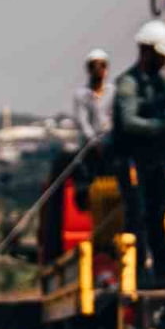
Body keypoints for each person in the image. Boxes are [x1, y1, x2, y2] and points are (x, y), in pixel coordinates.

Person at [111, 20, 165, 284]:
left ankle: (161, 271)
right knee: (136, 217)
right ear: (147, 51)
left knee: (157, 214)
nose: (164, 63)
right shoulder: (129, 84)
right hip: (131, 161)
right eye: (161, 57)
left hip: (153, 161)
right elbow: (129, 122)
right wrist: (164, 125)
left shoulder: (155, 81)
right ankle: (136, 274)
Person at [71, 48, 115, 210]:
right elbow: (82, 122)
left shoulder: (113, 92)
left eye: (101, 66)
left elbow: (115, 117)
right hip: (88, 148)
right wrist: (94, 142)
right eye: (93, 66)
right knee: (85, 178)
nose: (98, 70)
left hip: (109, 146)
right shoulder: (81, 94)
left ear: (106, 69)